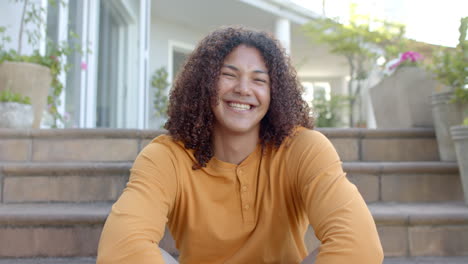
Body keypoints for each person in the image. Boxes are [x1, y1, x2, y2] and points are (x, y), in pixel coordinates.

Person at [97, 26, 383, 264]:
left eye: (259, 80)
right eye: (228, 75)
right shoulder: (165, 157)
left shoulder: (304, 148)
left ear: (275, 94)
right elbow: (119, 250)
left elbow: (360, 246)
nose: (243, 89)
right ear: (204, 84)